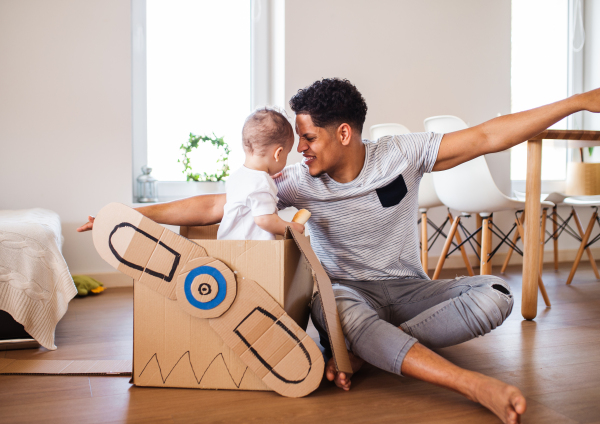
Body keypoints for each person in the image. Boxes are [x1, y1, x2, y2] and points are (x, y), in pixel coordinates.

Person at [78, 78, 600, 424]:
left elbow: (488, 136)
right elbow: (214, 204)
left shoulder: (404, 153)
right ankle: (466, 383)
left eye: (307, 137)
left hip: (408, 288)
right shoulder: (293, 181)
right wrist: (129, 214)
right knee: (346, 317)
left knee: (496, 296)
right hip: (344, 294)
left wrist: (576, 102)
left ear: (343, 132)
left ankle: (362, 352)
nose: (298, 148)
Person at [217, 107, 304, 240]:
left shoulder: (236, 177)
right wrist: (291, 227)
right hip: (249, 251)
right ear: (278, 154)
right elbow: (264, 220)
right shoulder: (261, 182)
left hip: (229, 244)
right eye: (287, 154)